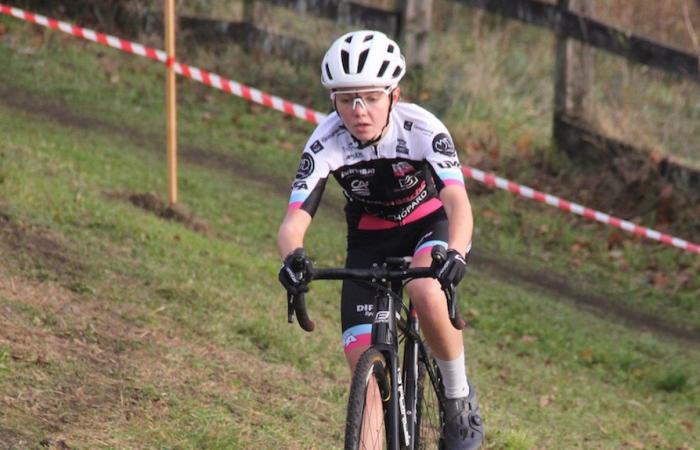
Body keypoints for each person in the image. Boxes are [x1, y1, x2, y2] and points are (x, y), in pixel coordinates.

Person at [277, 30, 484, 450]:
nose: (358, 111)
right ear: (332, 101)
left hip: (428, 225)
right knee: (368, 388)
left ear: (394, 94)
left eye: (371, 97)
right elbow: (294, 220)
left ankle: (457, 396)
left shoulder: (423, 129)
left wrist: (457, 254)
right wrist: (293, 257)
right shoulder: (325, 140)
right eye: (346, 99)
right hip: (370, 241)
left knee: (426, 291)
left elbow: (458, 203)